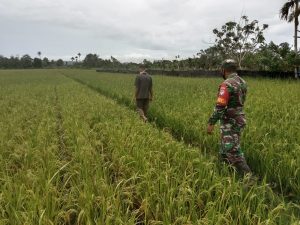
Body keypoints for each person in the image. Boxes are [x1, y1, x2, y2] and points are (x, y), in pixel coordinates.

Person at [207, 59, 252, 176]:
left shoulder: (226, 84)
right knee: (225, 148)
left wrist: (211, 123)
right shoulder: (242, 82)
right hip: (239, 119)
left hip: (230, 122)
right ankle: (225, 173)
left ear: (224, 70)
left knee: (233, 151)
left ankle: (249, 181)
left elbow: (220, 106)